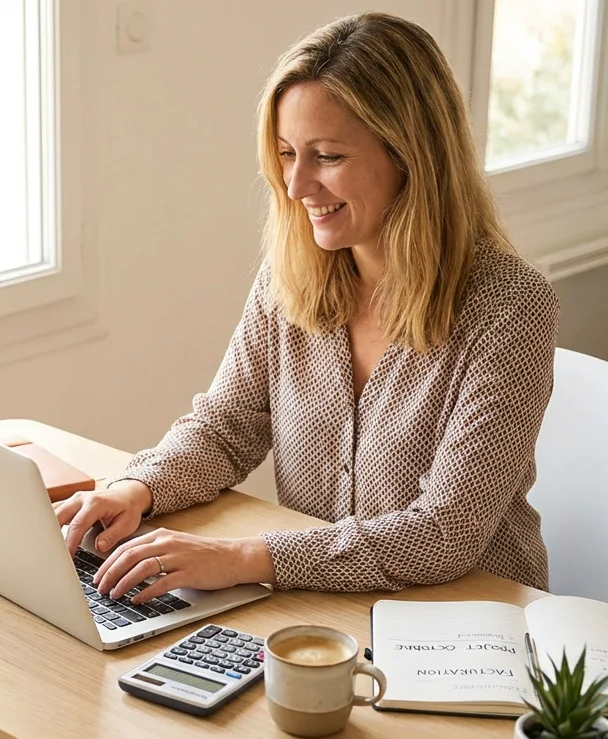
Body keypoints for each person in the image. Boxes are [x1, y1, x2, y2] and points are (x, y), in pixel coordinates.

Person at [56, 12, 558, 605]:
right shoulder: (291, 278)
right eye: (288, 153)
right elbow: (225, 428)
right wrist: (138, 487)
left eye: (327, 156)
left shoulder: (510, 305)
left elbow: (444, 534)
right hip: (323, 606)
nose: (295, 187)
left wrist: (246, 557)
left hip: (468, 623)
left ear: (412, 155)